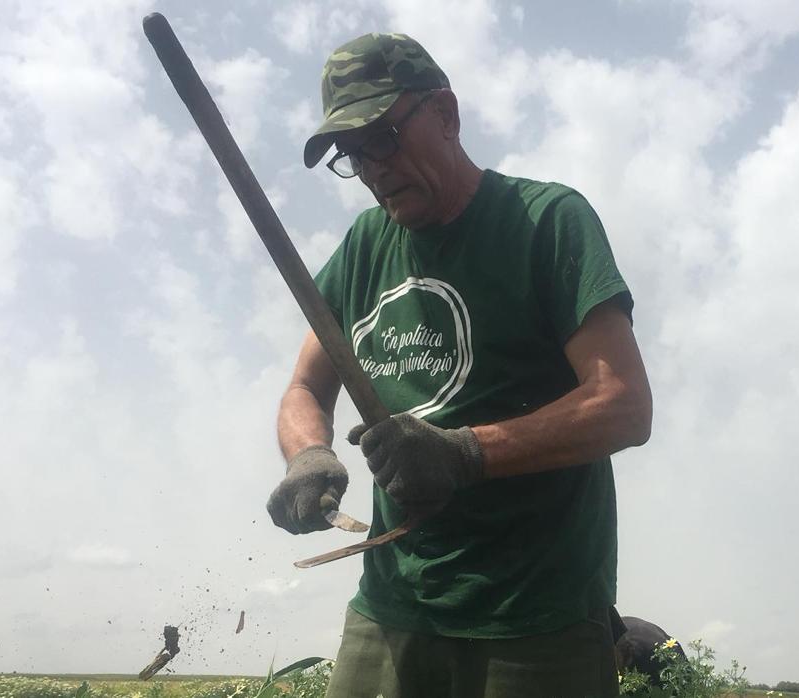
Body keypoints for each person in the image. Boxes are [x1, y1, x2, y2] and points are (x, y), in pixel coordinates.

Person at [265, 32, 651, 697]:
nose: (373, 168)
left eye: (382, 137)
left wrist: (464, 452)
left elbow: (622, 404)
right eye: (353, 155)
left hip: (535, 619)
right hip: (391, 609)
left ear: (445, 114)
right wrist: (307, 454)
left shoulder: (545, 221)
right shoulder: (364, 245)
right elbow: (305, 383)